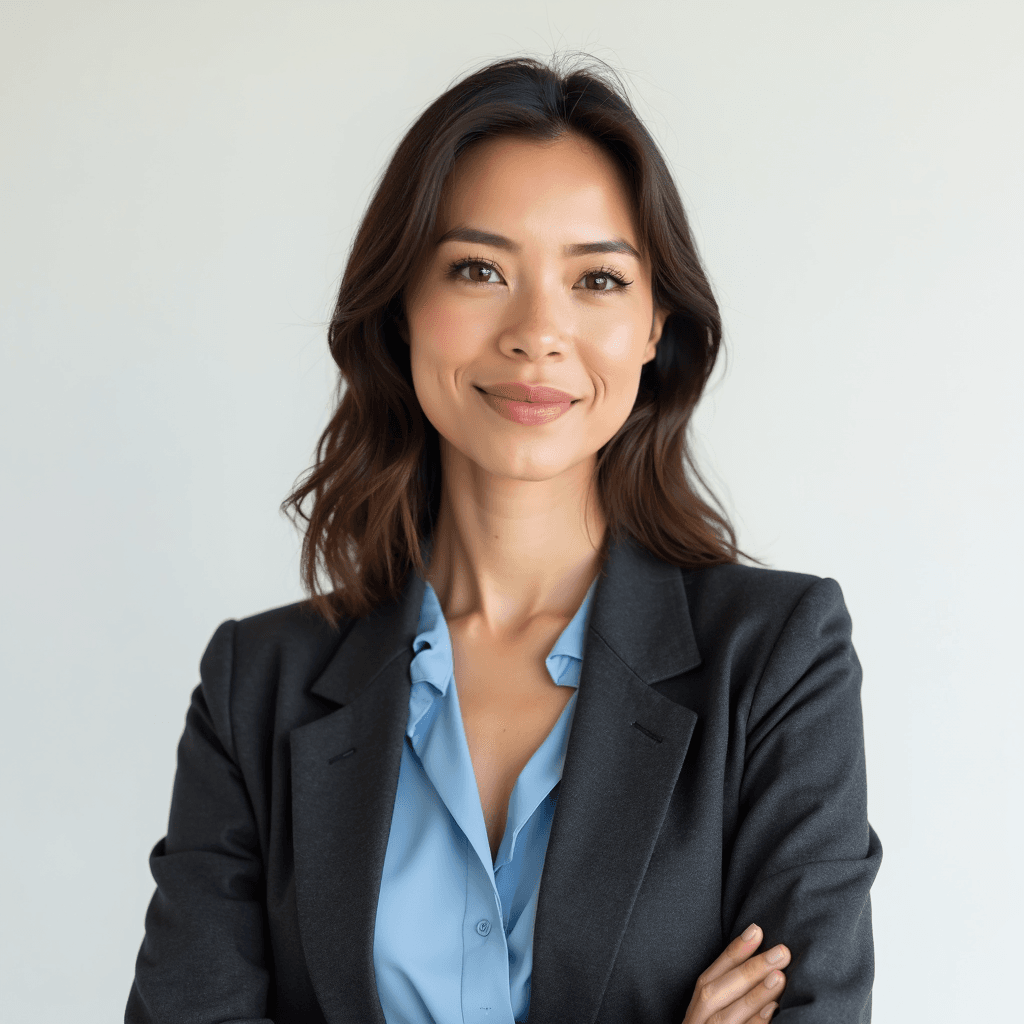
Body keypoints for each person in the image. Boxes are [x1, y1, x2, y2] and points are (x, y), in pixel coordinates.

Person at [127, 56, 881, 1024]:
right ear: (402, 306)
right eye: (479, 269)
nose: (537, 332)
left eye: (597, 278)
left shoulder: (778, 661)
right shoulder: (255, 687)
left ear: (656, 323)